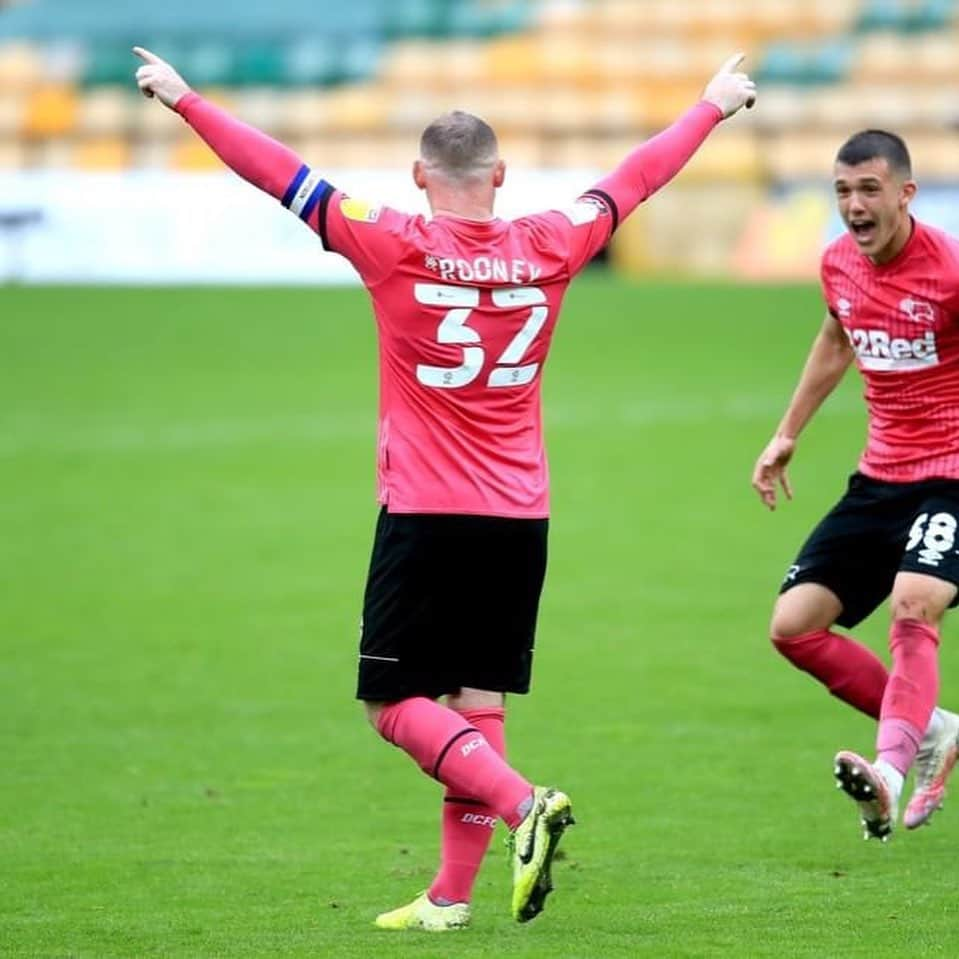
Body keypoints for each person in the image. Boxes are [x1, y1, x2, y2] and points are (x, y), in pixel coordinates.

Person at [134, 46, 756, 926]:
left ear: (419, 175)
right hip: (521, 515)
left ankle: (521, 805)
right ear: (500, 175)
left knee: (391, 703)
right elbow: (633, 179)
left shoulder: (390, 239)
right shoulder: (552, 240)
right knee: (475, 697)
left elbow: (279, 173)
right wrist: (711, 105)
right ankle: (449, 898)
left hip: (427, 511)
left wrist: (186, 98)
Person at [752, 129, 959, 843]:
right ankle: (933, 729)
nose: (852, 205)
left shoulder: (950, 270)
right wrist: (787, 432)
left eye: (868, 189)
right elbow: (836, 338)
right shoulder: (837, 263)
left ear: (905, 192)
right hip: (880, 476)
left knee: (913, 604)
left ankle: (890, 773)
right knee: (794, 625)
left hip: (952, 475)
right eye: (842, 190)